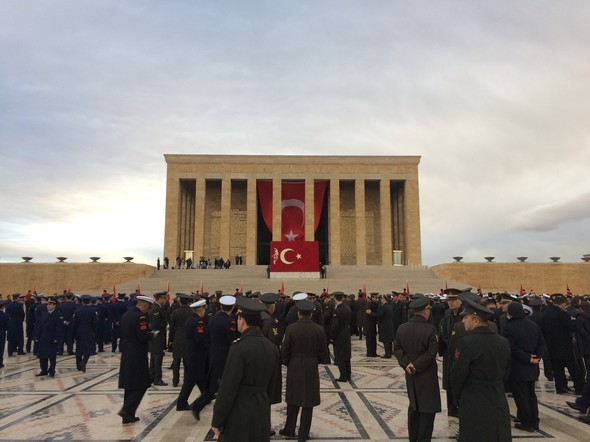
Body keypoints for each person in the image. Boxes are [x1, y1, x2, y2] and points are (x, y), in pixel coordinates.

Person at [210, 296, 280, 441]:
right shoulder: (272, 347)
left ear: (242, 320)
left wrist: (217, 419)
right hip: (262, 407)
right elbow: (274, 382)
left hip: (240, 409)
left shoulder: (239, 347)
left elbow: (228, 387)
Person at [451, 299, 511, 442]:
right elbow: (507, 372)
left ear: (476, 321)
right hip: (498, 397)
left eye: (466, 318)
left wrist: (459, 396)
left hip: (473, 398)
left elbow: (457, 375)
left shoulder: (466, 343)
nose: (463, 321)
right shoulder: (503, 342)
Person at [393, 296, 441, 442]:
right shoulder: (430, 329)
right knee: (427, 408)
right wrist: (417, 365)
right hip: (425, 373)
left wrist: (407, 364)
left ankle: (413, 438)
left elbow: (398, 349)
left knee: (414, 405)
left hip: (410, 373)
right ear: (425, 311)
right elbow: (432, 353)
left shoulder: (402, 328)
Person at [280, 300, 329, 441]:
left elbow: (285, 351)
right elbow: (323, 353)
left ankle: (289, 429)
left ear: (298, 313)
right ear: (311, 314)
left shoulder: (291, 329)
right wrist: (314, 361)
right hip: (311, 367)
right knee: (308, 401)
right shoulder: (319, 329)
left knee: (292, 398)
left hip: (294, 366)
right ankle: (303, 433)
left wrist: (288, 362)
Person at [191, 295, 238, 420]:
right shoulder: (229, 320)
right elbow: (231, 339)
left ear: (221, 306)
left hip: (213, 354)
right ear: (232, 307)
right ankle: (221, 414)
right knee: (224, 385)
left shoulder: (212, 318)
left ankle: (198, 405)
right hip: (224, 356)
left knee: (213, 385)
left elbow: (207, 336)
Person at [503, 302, 546, 432]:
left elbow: (511, 348)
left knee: (521, 395)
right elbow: (541, 343)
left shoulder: (508, 328)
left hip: (518, 366)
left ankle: (526, 422)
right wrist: (536, 357)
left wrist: (527, 358)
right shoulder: (533, 325)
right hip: (532, 366)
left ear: (510, 313)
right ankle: (534, 420)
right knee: (531, 395)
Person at [118, 295, 157, 424]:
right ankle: (126, 410)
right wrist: (152, 335)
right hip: (137, 351)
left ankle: (128, 415)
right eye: (148, 308)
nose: (147, 311)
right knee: (142, 383)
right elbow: (142, 336)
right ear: (144, 306)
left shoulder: (126, 315)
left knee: (129, 384)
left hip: (127, 349)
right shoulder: (140, 317)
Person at [541, 294, 584, 394]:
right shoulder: (562, 314)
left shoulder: (546, 313)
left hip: (551, 346)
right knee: (573, 368)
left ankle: (560, 387)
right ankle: (579, 388)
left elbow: (543, 329)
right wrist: (574, 321)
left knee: (557, 369)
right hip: (564, 346)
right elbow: (570, 327)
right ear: (562, 304)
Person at [176, 299, 209, 411]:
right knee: (191, 379)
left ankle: (206, 396)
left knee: (199, 378)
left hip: (189, 353)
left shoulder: (189, 320)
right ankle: (181, 402)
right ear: (200, 309)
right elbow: (200, 339)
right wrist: (207, 346)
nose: (205, 311)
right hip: (196, 354)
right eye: (204, 308)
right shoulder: (199, 322)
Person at [439, 288, 463, 417]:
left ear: (460, 300)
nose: (451, 303)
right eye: (449, 300)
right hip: (449, 353)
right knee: (449, 380)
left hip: (461, 353)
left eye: (454, 300)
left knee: (459, 380)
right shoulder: (447, 313)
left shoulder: (465, 314)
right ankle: (452, 408)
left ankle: (460, 407)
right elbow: (443, 329)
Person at [169, 293, 194, 387]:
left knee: (176, 360)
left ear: (180, 302)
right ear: (188, 302)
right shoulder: (192, 311)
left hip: (178, 337)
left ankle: (175, 381)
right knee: (187, 361)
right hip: (188, 337)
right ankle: (187, 380)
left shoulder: (175, 312)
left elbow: (172, 327)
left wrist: (170, 340)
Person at [34, 297, 63, 377]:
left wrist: (56, 338)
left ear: (54, 305)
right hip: (43, 337)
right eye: (48, 304)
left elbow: (59, 328)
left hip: (52, 337)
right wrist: (37, 336)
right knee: (42, 355)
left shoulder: (58, 314)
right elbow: (40, 326)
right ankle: (43, 370)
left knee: (52, 356)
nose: (48, 306)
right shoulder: (44, 314)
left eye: (50, 304)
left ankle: (51, 370)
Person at [71, 294, 98, 372]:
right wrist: (94, 331)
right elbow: (96, 322)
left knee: (79, 348)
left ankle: (78, 366)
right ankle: (83, 362)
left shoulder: (77, 311)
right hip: (89, 332)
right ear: (89, 301)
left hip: (79, 332)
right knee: (89, 348)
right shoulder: (93, 311)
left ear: (82, 301)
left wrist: (73, 334)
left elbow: (74, 324)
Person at [148, 291, 169, 386]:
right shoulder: (156, 309)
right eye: (164, 298)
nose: (165, 300)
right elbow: (155, 325)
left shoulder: (157, 308)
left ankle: (152, 377)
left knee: (154, 359)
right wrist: (164, 326)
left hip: (156, 337)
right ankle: (157, 378)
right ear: (159, 298)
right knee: (157, 359)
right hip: (157, 338)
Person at [331, 292, 352, 382]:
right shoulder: (347, 307)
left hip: (339, 334)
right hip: (346, 333)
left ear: (335, 298)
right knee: (346, 355)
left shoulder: (337, 310)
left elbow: (335, 326)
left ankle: (343, 376)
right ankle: (348, 374)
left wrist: (332, 336)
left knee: (340, 356)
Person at [0, 300, 10, 368]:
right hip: (1, 333)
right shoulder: (6, 315)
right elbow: (7, 326)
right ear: (3, 307)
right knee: (1, 348)